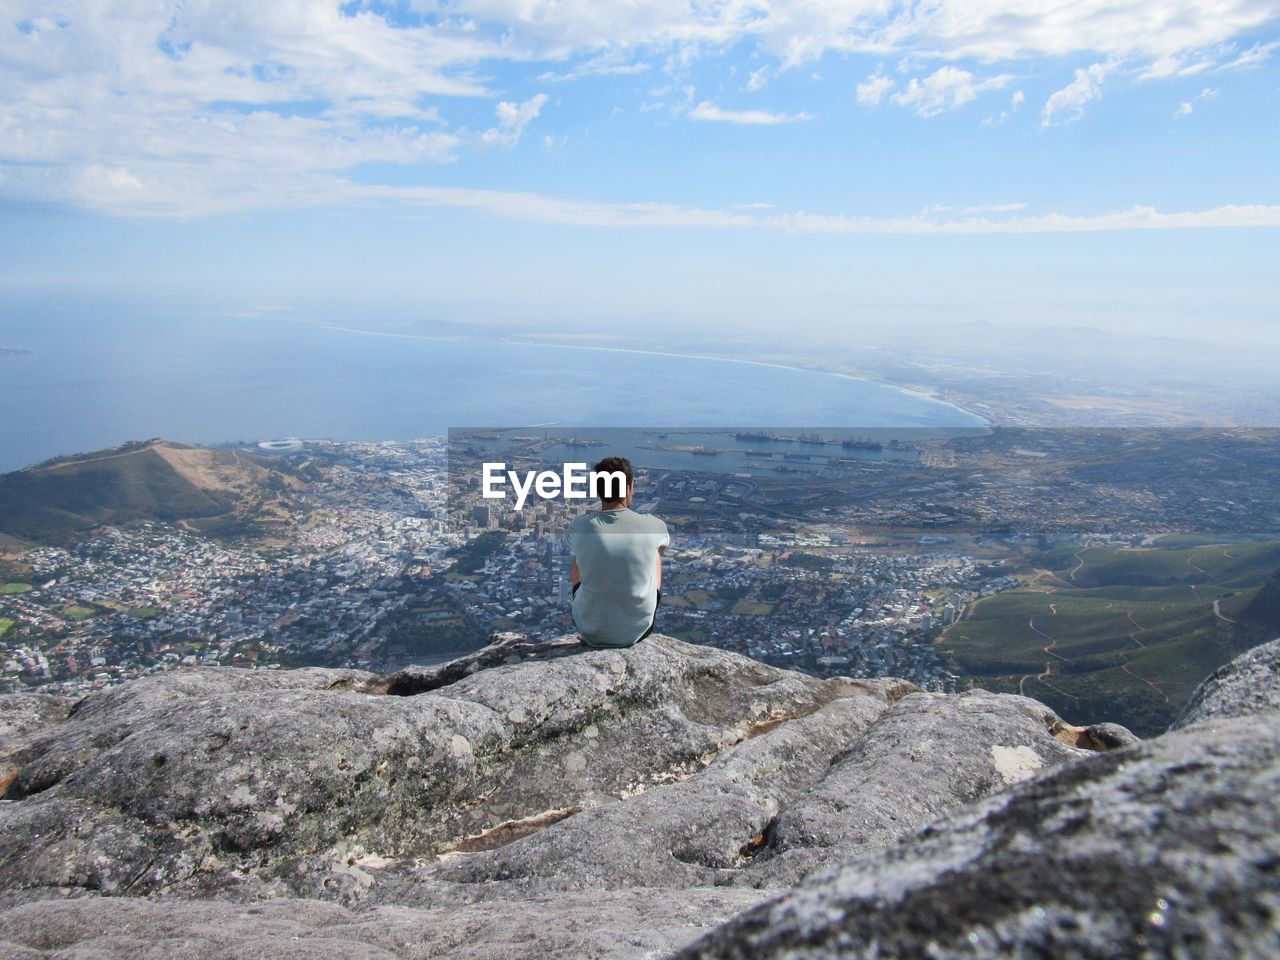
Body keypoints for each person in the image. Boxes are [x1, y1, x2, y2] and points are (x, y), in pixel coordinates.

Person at [564, 456, 669, 648]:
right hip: (637, 630)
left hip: (589, 628)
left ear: (599, 489)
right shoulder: (654, 525)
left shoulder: (579, 526)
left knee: (579, 554)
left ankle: (596, 613)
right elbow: (661, 545)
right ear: (628, 488)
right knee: (655, 553)